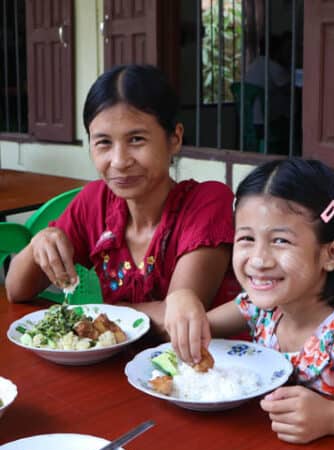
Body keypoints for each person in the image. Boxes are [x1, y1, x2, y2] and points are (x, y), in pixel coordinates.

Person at [164, 158, 334, 444]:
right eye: (246, 238)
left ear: (331, 255)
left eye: (280, 241)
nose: (258, 259)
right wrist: (181, 298)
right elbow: (194, 332)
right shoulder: (263, 310)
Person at [5, 64, 240, 336]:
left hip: (203, 371)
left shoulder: (207, 203)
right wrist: (39, 244)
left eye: (137, 139)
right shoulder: (95, 201)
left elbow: (175, 319)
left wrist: (98, 315)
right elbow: (16, 290)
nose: (119, 161)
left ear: (174, 138)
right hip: (115, 368)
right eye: (103, 142)